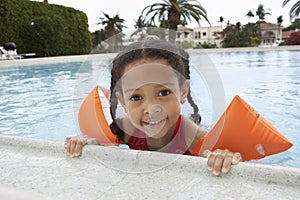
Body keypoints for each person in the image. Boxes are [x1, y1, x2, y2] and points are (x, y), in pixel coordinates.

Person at [65, 39, 241, 176]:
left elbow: (231, 162)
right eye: (136, 97)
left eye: (163, 93)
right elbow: (100, 145)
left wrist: (223, 157)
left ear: (183, 91)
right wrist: (86, 142)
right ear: (123, 102)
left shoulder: (196, 139)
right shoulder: (126, 130)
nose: (151, 109)